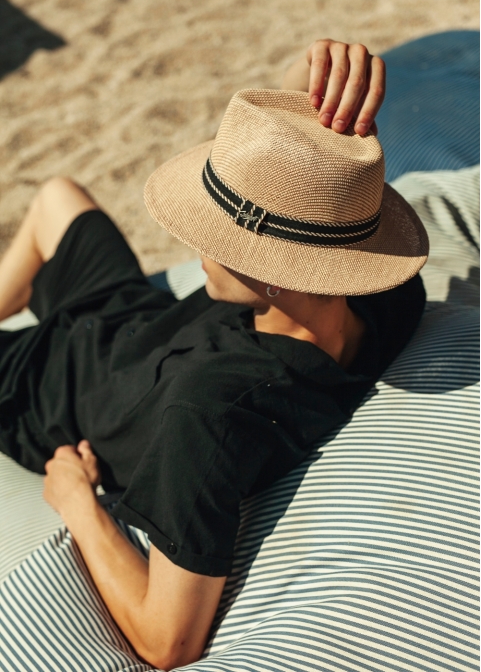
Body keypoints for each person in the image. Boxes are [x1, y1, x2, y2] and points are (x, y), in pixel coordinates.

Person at [0, 39, 428, 670]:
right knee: (59, 194)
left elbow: (166, 640)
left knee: (54, 205)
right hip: (136, 325)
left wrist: (76, 503)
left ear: (275, 271)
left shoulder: (208, 416)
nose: (195, 241)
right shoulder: (385, 297)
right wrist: (312, 82)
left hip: (45, 381)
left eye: (214, 232)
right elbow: (298, 189)